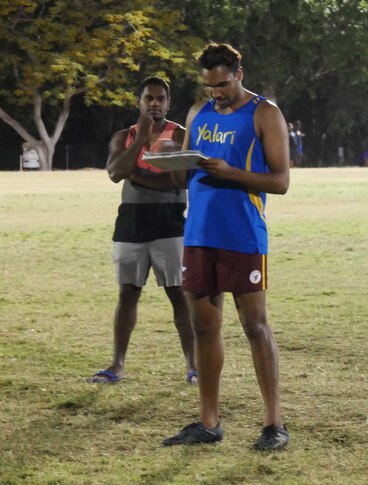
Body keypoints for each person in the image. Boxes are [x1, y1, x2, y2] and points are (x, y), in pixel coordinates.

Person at [162, 43, 291, 451]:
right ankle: (208, 422)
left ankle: (274, 424)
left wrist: (232, 173)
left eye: (222, 84)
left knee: (255, 325)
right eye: (209, 86)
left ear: (239, 72)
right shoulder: (197, 113)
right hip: (199, 233)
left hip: (242, 234)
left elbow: (281, 181)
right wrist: (170, 162)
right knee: (203, 326)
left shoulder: (264, 113)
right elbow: (185, 178)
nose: (216, 93)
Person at [89, 76, 196, 385]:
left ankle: (194, 366)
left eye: (160, 98)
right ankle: (117, 365)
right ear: (139, 103)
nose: (155, 103)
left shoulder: (181, 136)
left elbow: (179, 183)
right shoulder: (123, 136)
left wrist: (137, 176)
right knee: (127, 295)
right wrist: (141, 137)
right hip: (130, 225)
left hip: (170, 223)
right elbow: (114, 173)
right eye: (149, 98)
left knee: (180, 297)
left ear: (168, 103)